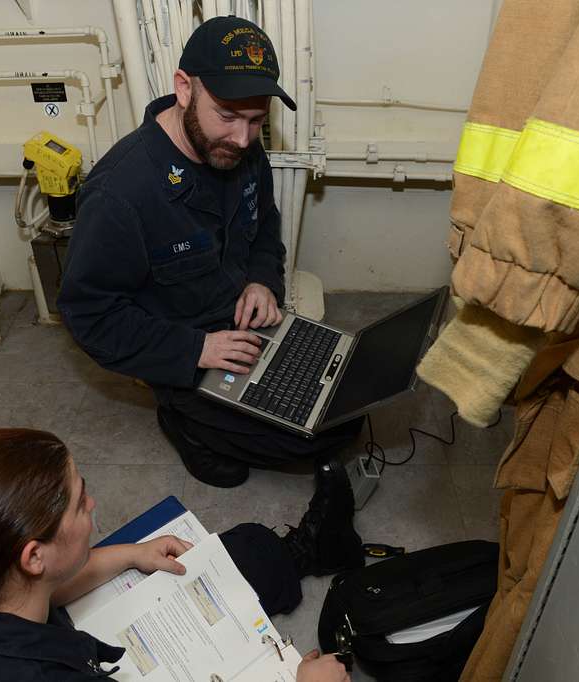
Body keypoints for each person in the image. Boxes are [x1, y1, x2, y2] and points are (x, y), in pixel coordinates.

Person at [58, 16, 362, 489]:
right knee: (311, 440)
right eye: (227, 115)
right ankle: (184, 423)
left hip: (242, 323)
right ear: (184, 88)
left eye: (257, 121)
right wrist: (197, 349)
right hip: (183, 349)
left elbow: (265, 226)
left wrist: (263, 280)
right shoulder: (121, 193)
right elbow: (89, 315)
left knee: (346, 409)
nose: (243, 139)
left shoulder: (240, 148)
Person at [0, 428, 355, 682]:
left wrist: (129, 555)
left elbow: (37, 585)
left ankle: (308, 551)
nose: (92, 504)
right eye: (80, 501)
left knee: (243, 555)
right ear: (33, 557)